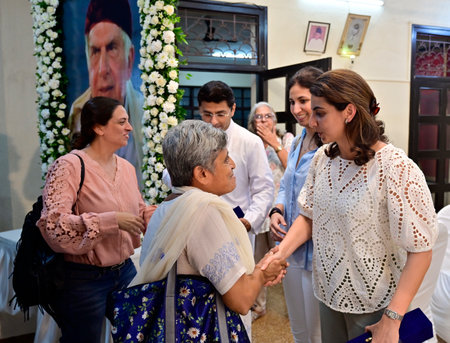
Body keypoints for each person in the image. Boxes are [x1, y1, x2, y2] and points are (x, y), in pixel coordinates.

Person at [264, 69, 437, 342]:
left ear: (349, 112)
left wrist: (393, 318)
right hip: (328, 293)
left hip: (375, 304)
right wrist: (279, 254)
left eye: (320, 112)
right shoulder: (322, 159)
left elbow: (421, 251)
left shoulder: (395, 167)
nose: (312, 119)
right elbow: (309, 217)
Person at [134, 120, 287, 341]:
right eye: (225, 159)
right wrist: (264, 272)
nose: (233, 164)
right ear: (202, 174)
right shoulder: (203, 213)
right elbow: (242, 300)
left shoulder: (167, 206)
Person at [37, 97, 156, 343]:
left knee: (138, 335)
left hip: (125, 272)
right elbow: (53, 223)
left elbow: (137, 209)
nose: (130, 127)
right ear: (99, 128)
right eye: (122, 122)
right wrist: (109, 221)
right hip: (83, 279)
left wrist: (161, 213)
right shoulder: (68, 166)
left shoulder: (126, 167)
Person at [197, 81, 275, 332]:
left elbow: (264, 189)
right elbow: (172, 175)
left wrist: (249, 221)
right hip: (198, 227)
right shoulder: (193, 139)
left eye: (220, 114)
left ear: (233, 109)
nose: (213, 121)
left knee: (238, 299)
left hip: (237, 229)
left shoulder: (249, 142)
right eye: (207, 114)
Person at [268, 66, 323, 342]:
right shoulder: (298, 138)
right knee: (299, 330)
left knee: (317, 332)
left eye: (303, 100)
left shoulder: (328, 147)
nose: (296, 108)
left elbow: (315, 208)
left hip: (315, 254)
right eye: (292, 101)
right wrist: (277, 209)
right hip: (289, 247)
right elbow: (286, 185)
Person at [67, 0, 144, 182]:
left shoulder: (145, 113)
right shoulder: (76, 114)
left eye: (111, 49)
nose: (102, 69)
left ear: (130, 58)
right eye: (95, 51)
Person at [247, 101, 294, 321]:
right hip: (258, 212)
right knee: (258, 261)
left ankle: (294, 307)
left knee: (285, 260)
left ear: (275, 119)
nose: (264, 120)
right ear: (252, 122)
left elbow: (292, 169)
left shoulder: (288, 140)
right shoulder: (251, 143)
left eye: (268, 116)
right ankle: (258, 305)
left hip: (282, 212)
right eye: (258, 117)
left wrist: (274, 143)